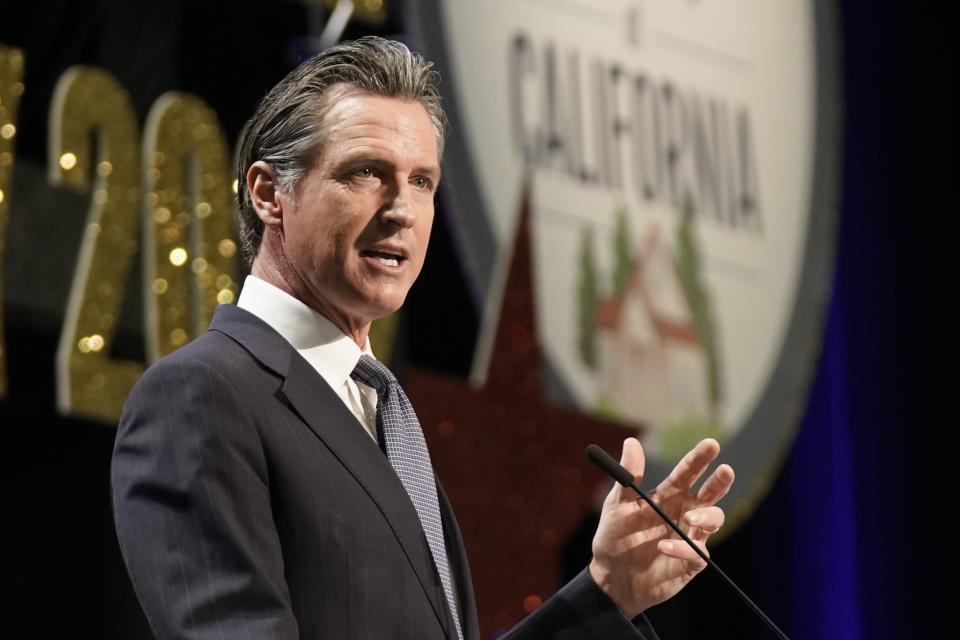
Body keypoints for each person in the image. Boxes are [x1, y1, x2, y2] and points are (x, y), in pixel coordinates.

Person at [111, 36, 735, 640]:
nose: (401, 209)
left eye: (421, 182)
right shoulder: (202, 395)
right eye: (365, 173)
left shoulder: (380, 409)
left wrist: (607, 593)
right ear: (271, 194)